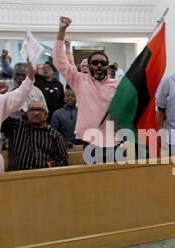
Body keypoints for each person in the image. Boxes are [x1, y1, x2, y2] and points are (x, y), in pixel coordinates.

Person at [53, 16, 123, 163]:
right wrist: (62, 30)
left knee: (116, 181)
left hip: (114, 142)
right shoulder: (79, 81)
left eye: (103, 63)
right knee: (92, 182)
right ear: (89, 65)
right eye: (95, 62)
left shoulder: (117, 85)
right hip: (90, 141)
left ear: (107, 66)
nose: (99, 65)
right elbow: (59, 61)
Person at [1, 100, 68, 171]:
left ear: (46, 115)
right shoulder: (15, 126)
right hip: (18, 176)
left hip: (44, 177)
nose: (36, 113)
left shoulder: (54, 134)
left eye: (40, 110)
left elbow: (62, 159)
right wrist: (1, 95)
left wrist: (50, 166)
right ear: (26, 114)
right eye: (32, 110)